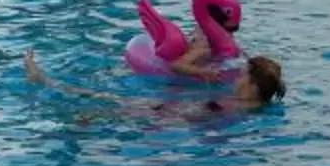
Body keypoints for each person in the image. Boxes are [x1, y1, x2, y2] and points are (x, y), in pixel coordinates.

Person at [26, 49, 285, 118]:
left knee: (106, 101)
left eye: (242, 75)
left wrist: (167, 111)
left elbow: (203, 116)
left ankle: (46, 82)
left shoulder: (236, 106)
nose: (236, 78)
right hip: (172, 112)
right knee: (104, 104)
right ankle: (49, 84)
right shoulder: (250, 107)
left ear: (252, 85)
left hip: (170, 116)